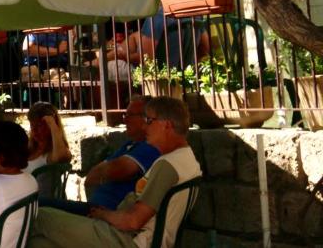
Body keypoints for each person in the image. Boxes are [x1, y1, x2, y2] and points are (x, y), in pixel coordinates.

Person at [28, 96, 202, 248]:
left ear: (167, 125)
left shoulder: (167, 165)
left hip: (127, 240)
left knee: (37, 215)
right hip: (124, 233)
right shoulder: (187, 159)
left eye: (149, 121)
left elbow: (133, 221)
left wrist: (104, 214)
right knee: (38, 244)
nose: (145, 127)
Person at [40, 97, 159, 214]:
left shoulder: (150, 147)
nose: (125, 120)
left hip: (109, 215)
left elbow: (118, 169)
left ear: (146, 119)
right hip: (94, 210)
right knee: (38, 205)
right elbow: (92, 176)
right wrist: (108, 173)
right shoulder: (130, 145)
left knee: (39, 207)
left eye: (130, 115)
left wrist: (106, 173)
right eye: (125, 115)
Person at [24, 102, 71, 197]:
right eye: (32, 125)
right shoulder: (28, 150)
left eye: (39, 125)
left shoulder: (53, 153)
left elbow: (60, 157)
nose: (34, 130)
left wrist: (52, 124)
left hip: (44, 205)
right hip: (21, 202)